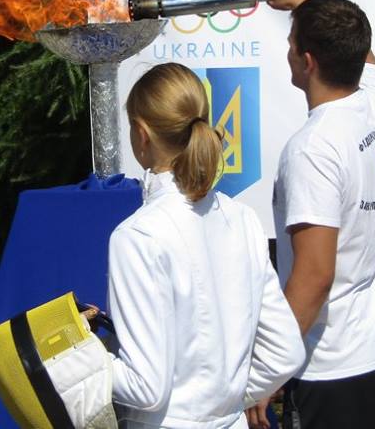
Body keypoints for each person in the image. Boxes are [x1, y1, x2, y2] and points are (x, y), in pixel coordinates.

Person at [248, 0, 375, 429]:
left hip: (334, 367)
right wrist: (304, 3)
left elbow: (315, 276)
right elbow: (366, 58)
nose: (287, 51)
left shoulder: (312, 149)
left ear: (306, 61)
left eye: (291, 43)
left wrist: (266, 373)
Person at [107, 62, 305, 428]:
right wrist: (224, 401)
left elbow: (145, 387)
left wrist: (81, 364)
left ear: (141, 133)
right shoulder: (242, 219)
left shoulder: (137, 236)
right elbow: (286, 352)